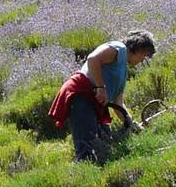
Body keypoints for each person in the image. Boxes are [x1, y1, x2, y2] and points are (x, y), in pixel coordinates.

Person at [49, 30, 156, 164]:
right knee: (87, 149)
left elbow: (118, 105)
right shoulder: (118, 48)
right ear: (138, 49)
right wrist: (100, 88)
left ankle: (93, 172)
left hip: (94, 104)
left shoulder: (123, 70)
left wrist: (132, 124)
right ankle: (81, 176)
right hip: (81, 96)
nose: (142, 61)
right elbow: (93, 59)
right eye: (144, 56)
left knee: (104, 144)